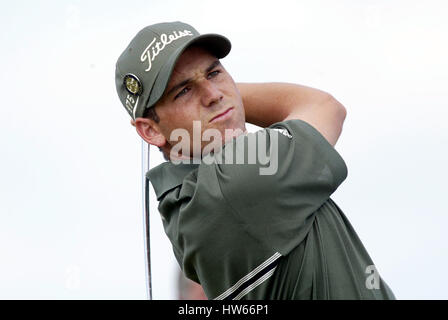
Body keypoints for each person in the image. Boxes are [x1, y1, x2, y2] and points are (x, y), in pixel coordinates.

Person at [115, 21, 396, 300]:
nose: (213, 94)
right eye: (184, 90)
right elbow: (325, 107)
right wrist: (228, 97)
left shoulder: (190, 203)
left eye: (214, 73)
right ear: (150, 130)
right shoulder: (237, 181)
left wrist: (222, 98)